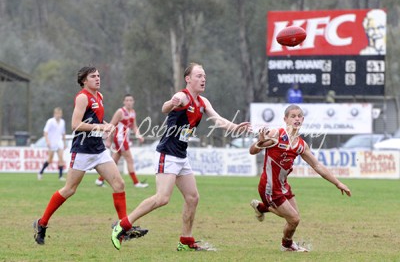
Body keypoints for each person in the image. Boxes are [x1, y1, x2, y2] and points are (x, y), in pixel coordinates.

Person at [110, 62, 251, 251]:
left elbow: (219, 121)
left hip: (181, 156)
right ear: (188, 79)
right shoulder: (182, 97)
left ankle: (186, 241)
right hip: (167, 154)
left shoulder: (203, 102)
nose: (203, 79)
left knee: (192, 197)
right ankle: (123, 225)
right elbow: (165, 107)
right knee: (162, 198)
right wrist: (171, 103)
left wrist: (237, 128)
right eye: (199, 76)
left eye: (204, 76)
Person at [33, 66, 148, 245]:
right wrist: (101, 127)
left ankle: (123, 229)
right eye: (93, 76)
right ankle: (42, 223)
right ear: (84, 81)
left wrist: (107, 124)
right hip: (82, 150)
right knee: (69, 190)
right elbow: (75, 124)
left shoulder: (99, 96)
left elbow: (95, 121)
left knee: (119, 184)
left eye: (98, 75)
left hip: (98, 149)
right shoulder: (82, 97)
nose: (97, 78)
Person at [249, 104, 351, 252]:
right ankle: (287, 246)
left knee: (294, 220)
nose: (296, 119)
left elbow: (317, 166)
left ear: (302, 119)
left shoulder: (301, 145)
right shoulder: (276, 134)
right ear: (285, 119)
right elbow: (252, 151)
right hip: (269, 186)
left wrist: (338, 183)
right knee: (294, 218)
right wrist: (259, 141)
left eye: (299, 116)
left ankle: (261, 207)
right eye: (293, 116)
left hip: (283, 186)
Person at [95, 94, 148, 188]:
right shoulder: (120, 112)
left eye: (130, 100)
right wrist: (108, 140)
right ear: (124, 102)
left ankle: (99, 180)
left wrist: (138, 135)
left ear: (133, 102)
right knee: (130, 159)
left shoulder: (133, 112)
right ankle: (136, 183)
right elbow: (111, 125)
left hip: (125, 139)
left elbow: (134, 126)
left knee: (114, 160)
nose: (129, 102)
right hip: (119, 138)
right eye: (127, 100)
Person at [38, 107, 67, 181]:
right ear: (54, 114)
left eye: (60, 113)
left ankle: (60, 176)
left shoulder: (62, 122)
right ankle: (40, 172)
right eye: (57, 113)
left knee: (61, 159)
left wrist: (64, 143)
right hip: (52, 143)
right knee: (50, 159)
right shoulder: (50, 121)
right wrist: (47, 141)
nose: (59, 115)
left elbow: (63, 133)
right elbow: (45, 132)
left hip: (59, 142)